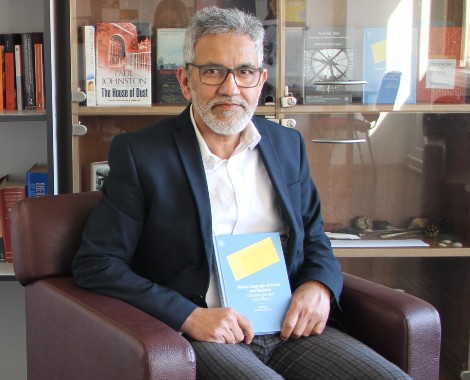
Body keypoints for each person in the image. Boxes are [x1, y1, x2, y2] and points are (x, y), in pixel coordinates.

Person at [72, 7, 411, 380]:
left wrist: (319, 286)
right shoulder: (142, 155)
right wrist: (189, 316)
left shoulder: (287, 145)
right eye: (213, 71)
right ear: (186, 80)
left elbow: (315, 238)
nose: (231, 88)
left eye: (245, 72)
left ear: (261, 80)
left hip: (288, 328)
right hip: (206, 333)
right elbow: (98, 263)